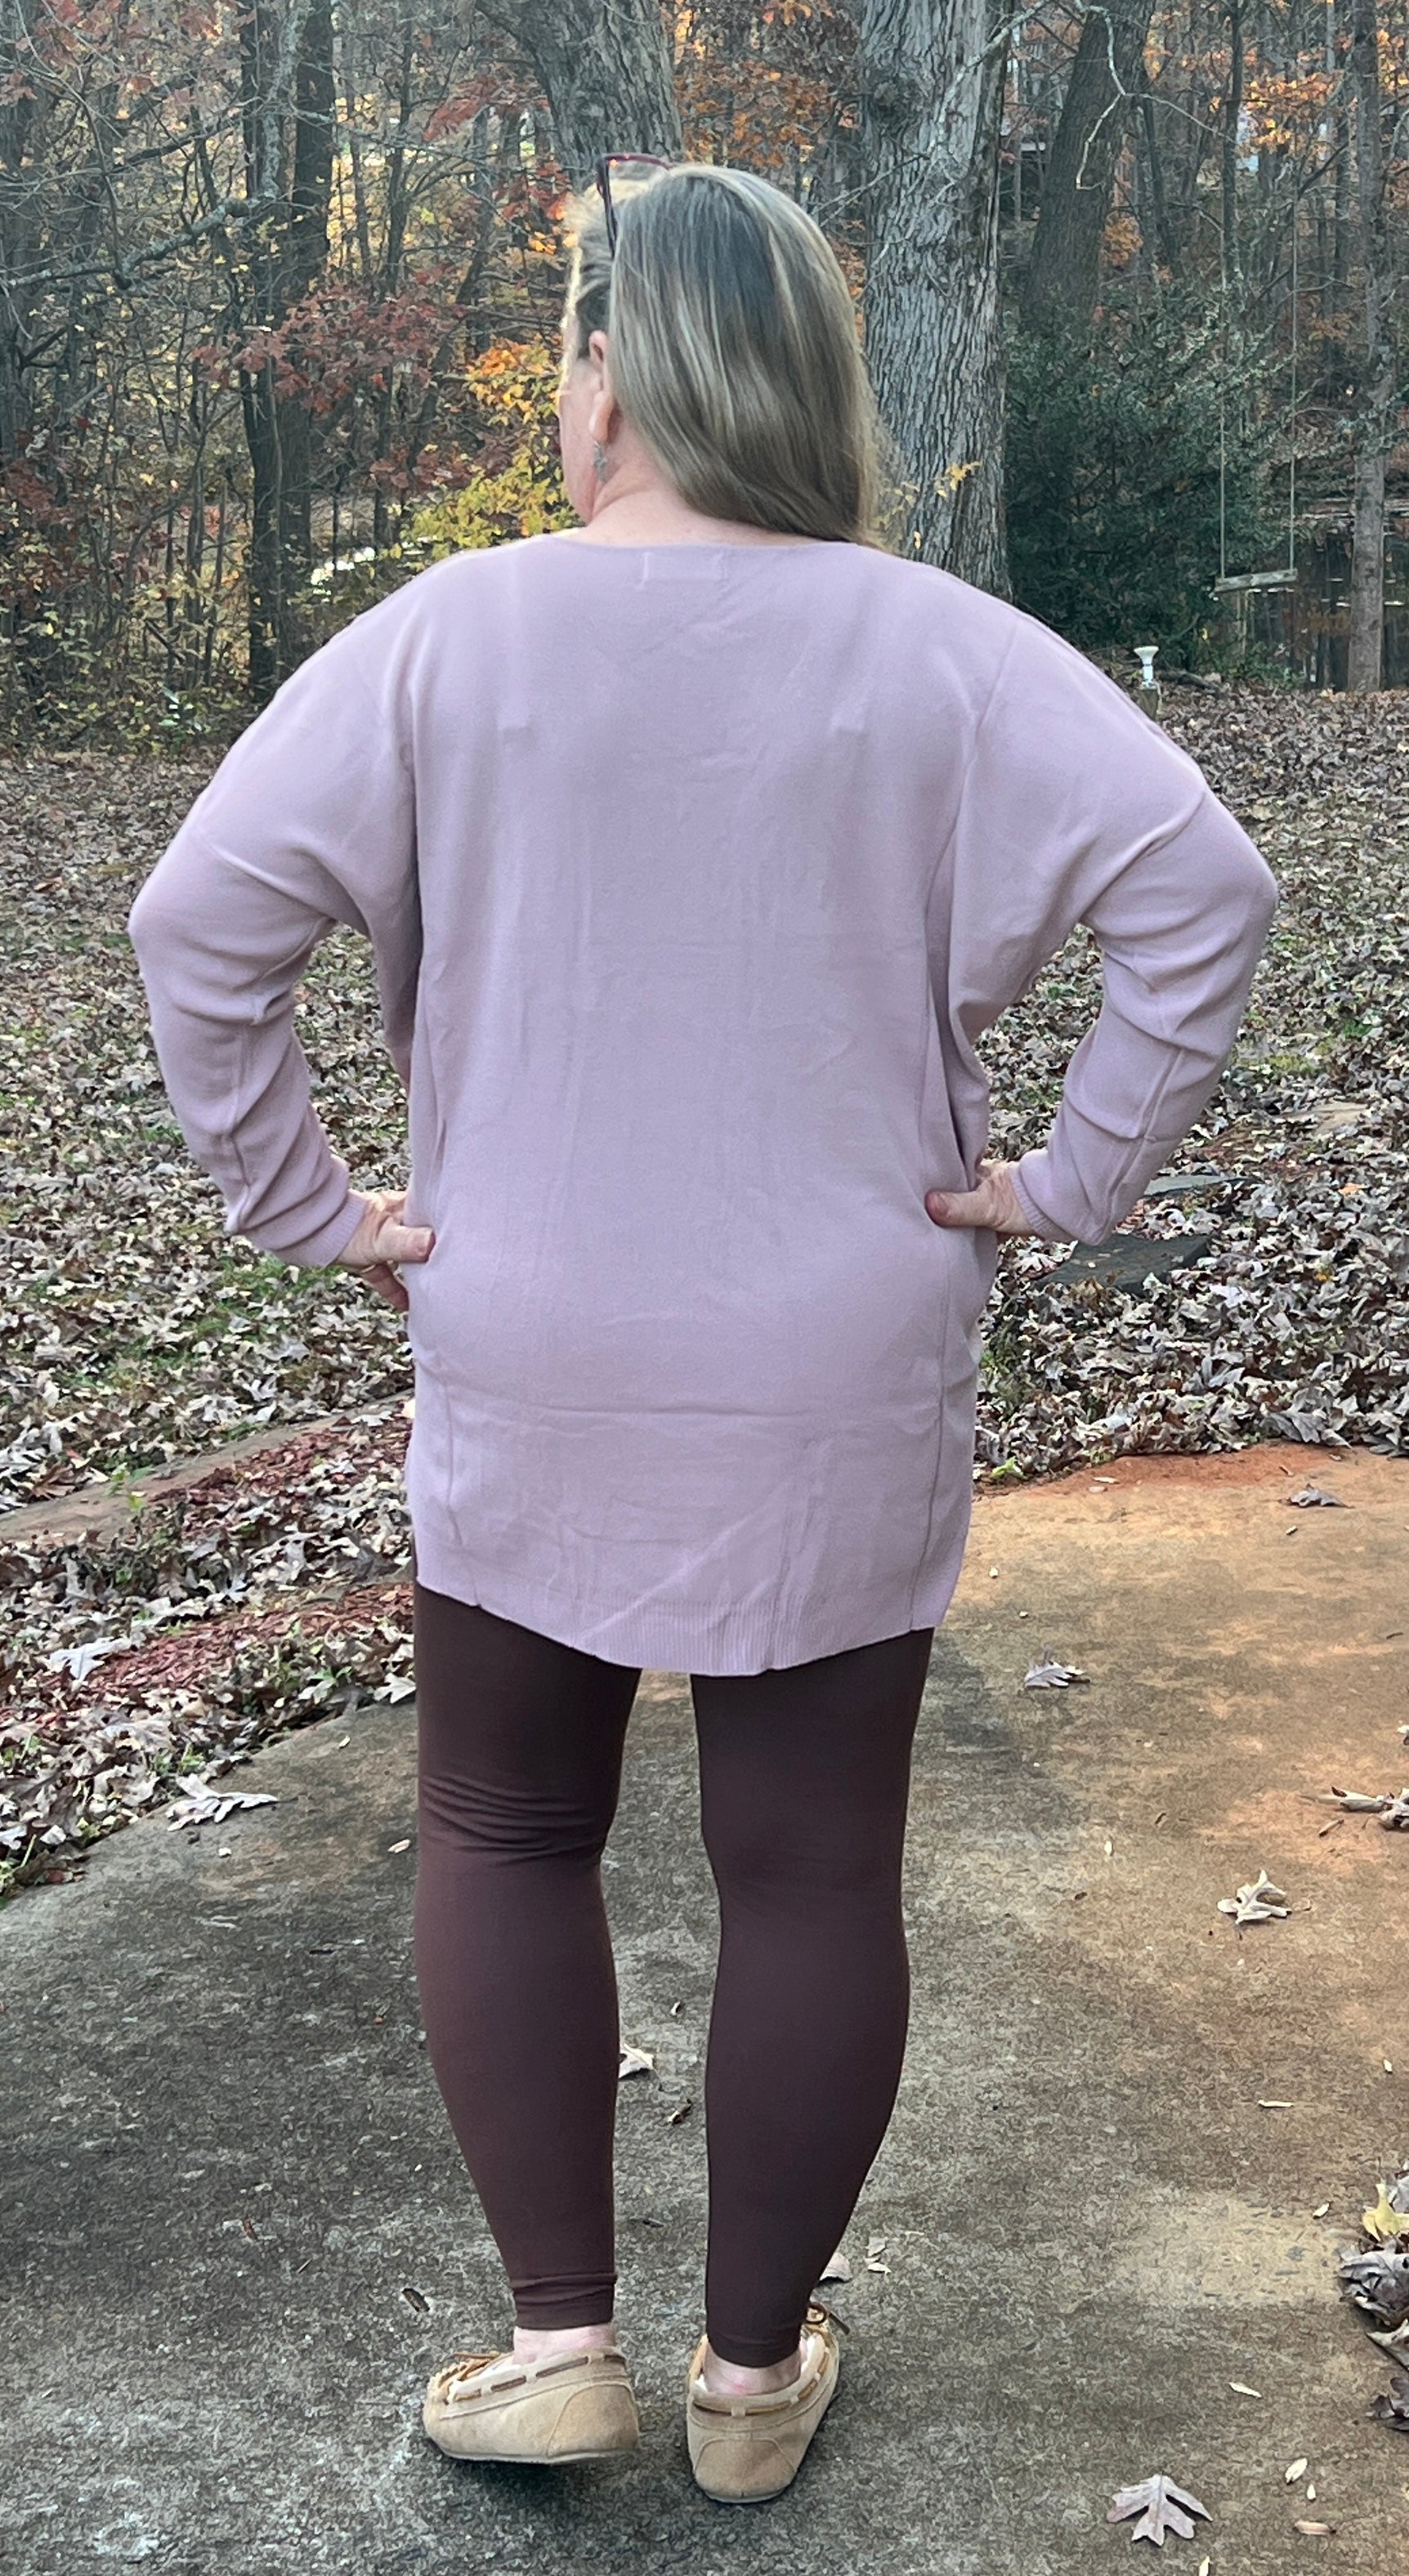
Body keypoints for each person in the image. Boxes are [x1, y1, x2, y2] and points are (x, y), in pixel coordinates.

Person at [128, 159, 1277, 2506]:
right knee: (812, 1867)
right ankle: (752, 2381)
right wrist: (1065, 1180)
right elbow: (1204, 890)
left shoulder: (447, 639)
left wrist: (304, 1207)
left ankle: (559, 2343)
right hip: (839, 1331)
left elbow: (195, 929)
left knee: (503, 1816)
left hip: (527, 1314)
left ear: (606, 371)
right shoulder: (942, 648)